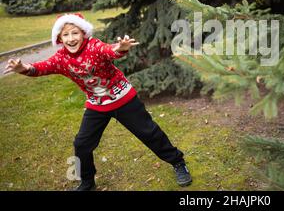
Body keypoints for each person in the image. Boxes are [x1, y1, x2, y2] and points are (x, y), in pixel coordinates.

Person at [3, 13, 192, 191]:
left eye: (75, 33)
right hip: (97, 105)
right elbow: (40, 67)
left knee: (149, 133)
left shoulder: (93, 46)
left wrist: (120, 48)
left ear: (83, 33)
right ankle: (87, 183)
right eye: (65, 34)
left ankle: (177, 162)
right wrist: (23, 67)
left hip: (123, 98)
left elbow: (109, 50)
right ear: (60, 38)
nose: (71, 38)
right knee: (82, 144)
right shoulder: (61, 59)